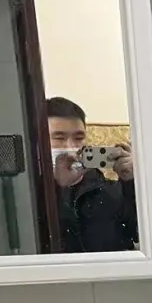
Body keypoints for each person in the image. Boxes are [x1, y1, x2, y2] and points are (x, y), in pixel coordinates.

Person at [45, 96, 139, 253]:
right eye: (59, 138)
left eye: (79, 138)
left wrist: (132, 182)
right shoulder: (32, 196)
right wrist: (59, 188)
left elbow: (140, 235)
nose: (71, 146)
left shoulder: (113, 192)